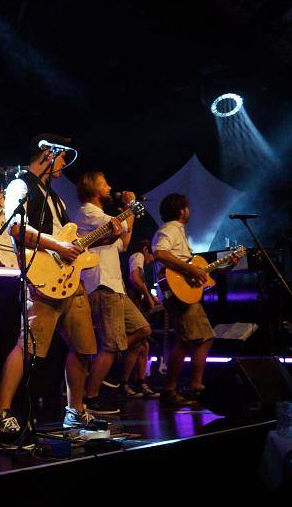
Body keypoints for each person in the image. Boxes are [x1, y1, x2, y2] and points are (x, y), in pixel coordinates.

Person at [0, 134, 102, 439]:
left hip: (69, 281)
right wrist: (58, 246)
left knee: (84, 347)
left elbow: (68, 241)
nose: (65, 163)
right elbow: (16, 228)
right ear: (48, 154)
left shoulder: (55, 197)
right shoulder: (19, 185)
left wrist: (106, 234)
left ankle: (75, 411)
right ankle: (1, 412)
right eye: (62, 156)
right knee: (27, 347)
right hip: (41, 280)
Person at [72, 172, 153, 413]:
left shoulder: (104, 217)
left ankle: (101, 366)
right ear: (93, 188)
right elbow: (120, 226)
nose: (109, 187)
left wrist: (130, 211)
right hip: (102, 284)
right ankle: (91, 396)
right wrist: (131, 206)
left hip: (115, 286)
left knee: (143, 329)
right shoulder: (88, 212)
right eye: (104, 184)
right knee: (110, 345)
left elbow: (124, 242)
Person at [153, 193, 239, 405]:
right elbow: (160, 253)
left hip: (183, 293)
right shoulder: (170, 229)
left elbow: (203, 275)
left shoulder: (178, 231)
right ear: (181, 210)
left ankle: (178, 387)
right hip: (178, 296)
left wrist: (228, 265)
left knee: (189, 340)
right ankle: (187, 386)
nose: (189, 212)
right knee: (197, 339)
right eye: (187, 208)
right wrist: (190, 269)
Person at [122, 239, 160, 398]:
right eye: (151, 254)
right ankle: (123, 383)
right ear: (145, 249)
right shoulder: (138, 256)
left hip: (136, 304)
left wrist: (149, 295)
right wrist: (149, 296)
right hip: (132, 304)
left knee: (144, 346)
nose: (152, 259)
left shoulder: (140, 259)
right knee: (138, 344)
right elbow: (134, 278)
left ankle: (141, 381)